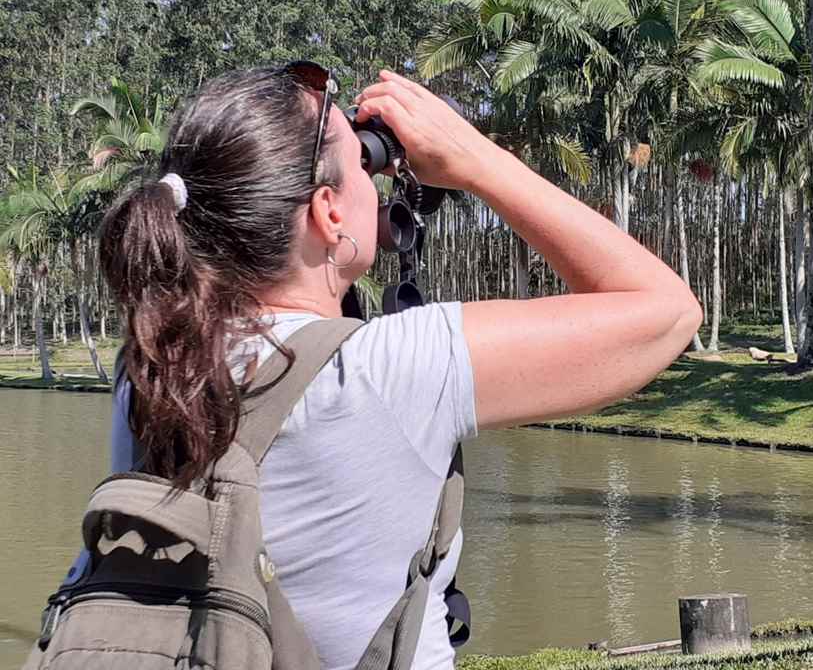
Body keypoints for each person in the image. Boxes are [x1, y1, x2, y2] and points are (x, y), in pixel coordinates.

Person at [97, 64, 702, 670]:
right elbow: (668, 312)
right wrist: (473, 158)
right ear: (328, 213)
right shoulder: (386, 371)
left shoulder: (151, 368)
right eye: (363, 164)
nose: (378, 177)